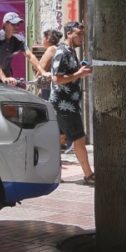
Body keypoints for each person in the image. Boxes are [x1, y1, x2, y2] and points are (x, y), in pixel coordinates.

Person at [51, 22, 94, 185]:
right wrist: (79, 74)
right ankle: (88, 174)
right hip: (65, 104)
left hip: (67, 103)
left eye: (83, 34)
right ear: (69, 33)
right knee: (79, 138)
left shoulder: (70, 51)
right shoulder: (62, 52)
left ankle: (55, 174)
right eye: (79, 34)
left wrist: (79, 71)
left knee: (60, 139)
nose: (82, 37)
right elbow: (57, 78)